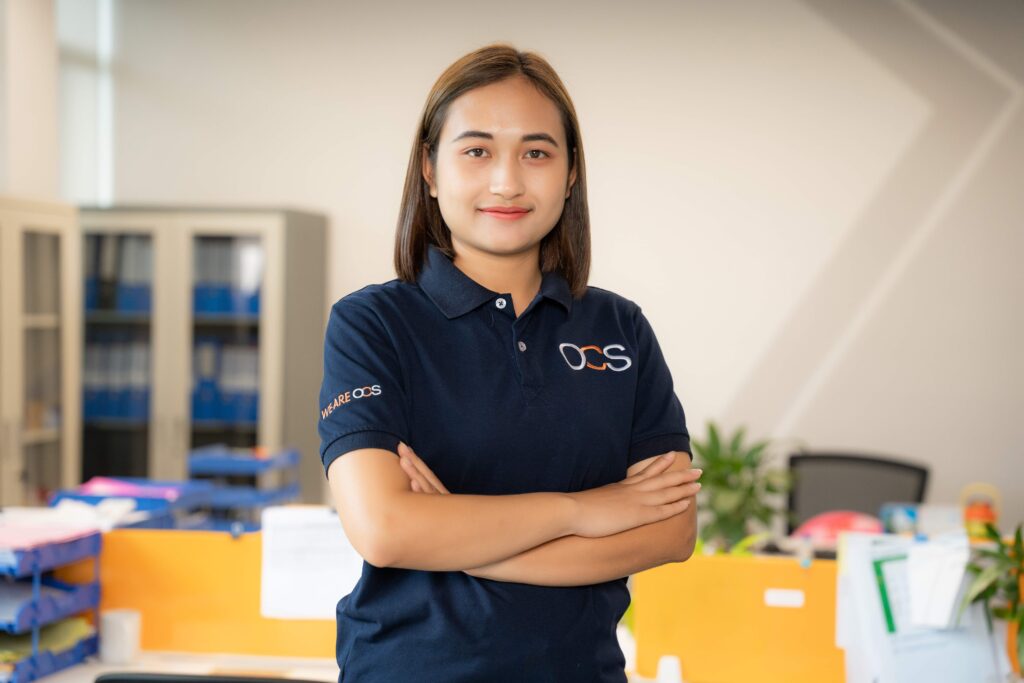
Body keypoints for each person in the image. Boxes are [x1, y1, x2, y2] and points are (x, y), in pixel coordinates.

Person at [318, 43, 701, 683]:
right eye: (476, 151)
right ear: (431, 170)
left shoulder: (618, 327)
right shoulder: (372, 324)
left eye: (536, 152)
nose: (507, 181)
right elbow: (385, 529)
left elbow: (671, 531)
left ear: (571, 171)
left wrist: (464, 544)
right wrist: (582, 510)